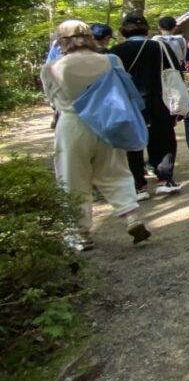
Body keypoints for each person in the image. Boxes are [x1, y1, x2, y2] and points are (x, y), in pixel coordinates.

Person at [40, 20, 150, 250]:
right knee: (115, 171)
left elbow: (51, 98)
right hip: (107, 123)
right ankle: (131, 217)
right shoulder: (110, 60)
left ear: (61, 41)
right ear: (89, 37)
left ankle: (79, 233)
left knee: (72, 178)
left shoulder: (53, 67)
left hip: (72, 125)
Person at [110, 13, 183, 198]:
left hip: (129, 102)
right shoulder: (160, 46)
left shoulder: (116, 51)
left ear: (123, 29)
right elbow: (175, 72)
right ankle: (165, 179)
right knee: (164, 138)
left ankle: (138, 185)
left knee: (131, 141)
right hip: (161, 99)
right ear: (146, 28)